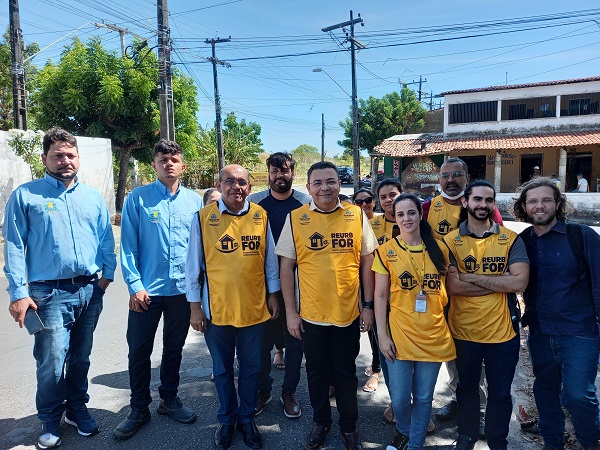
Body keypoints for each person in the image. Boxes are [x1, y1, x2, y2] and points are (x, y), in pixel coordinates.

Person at [3, 127, 116, 449]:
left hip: (89, 290)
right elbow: (13, 246)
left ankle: (76, 409)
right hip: (47, 294)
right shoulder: (26, 196)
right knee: (52, 359)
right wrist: (18, 293)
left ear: (78, 157)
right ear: (44, 158)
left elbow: (106, 240)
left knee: (80, 357)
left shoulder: (92, 197)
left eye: (70, 155)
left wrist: (106, 277)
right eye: (58, 155)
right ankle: (50, 418)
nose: (65, 160)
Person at [277, 161, 377, 450]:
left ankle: (349, 427)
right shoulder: (297, 218)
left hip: (348, 314)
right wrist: (292, 313)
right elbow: (287, 267)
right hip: (311, 316)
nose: (325, 187)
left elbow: (367, 260)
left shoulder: (356, 215)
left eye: (330, 181)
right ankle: (321, 421)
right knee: (317, 373)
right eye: (318, 182)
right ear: (308, 188)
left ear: (339, 184)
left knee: (346, 374)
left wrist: (367, 306)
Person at [113, 139, 203, 440]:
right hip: (146, 292)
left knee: (174, 348)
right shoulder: (138, 199)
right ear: (154, 165)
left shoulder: (195, 202)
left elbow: (200, 251)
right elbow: (128, 247)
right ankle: (139, 407)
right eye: (163, 159)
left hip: (181, 291)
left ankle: (169, 398)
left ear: (182, 165)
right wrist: (134, 286)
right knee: (139, 350)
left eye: (174, 159)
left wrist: (199, 293)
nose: (168, 163)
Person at [186, 164, 280, 450]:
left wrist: (273, 295)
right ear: (220, 184)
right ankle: (227, 421)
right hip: (217, 311)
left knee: (252, 369)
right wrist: (194, 307)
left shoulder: (260, 215)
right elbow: (193, 266)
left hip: (254, 310)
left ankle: (247, 418)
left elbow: (270, 261)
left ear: (249, 187)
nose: (236, 187)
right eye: (230, 181)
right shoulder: (203, 218)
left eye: (242, 182)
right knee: (223, 370)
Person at [512, 177, 600, 450]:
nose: (540, 206)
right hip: (540, 332)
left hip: (579, 332)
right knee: (546, 391)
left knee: (578, 395)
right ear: (524, 207)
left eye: (546, 200)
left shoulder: (581, 236)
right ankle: (553, 443)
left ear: (558, 203)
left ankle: (590, 441)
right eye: (533, 201)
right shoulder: (521, 241)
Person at [443, 180, 530, 450]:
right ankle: (466, 437)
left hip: (503, 334)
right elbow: (453, 287)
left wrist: (471, 276)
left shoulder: (510, 238)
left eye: (488, 200)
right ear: (465, 202)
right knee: (467, 390)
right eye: (477, 199)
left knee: (500, 394)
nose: (483, 205)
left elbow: (518, 284)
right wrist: (496, 281)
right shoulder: (449, 242)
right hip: (463, 332)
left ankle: (497, 441)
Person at [424, 158, 502, 431]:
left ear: (467, 178)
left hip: (478, 296)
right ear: (439, 180)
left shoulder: (485, 208)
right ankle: (460, 399)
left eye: (457, 174)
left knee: (477, 355)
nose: (451, 180)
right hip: (441, 295)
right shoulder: (428, 208)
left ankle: (479, 408)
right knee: (453, 354)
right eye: (445, 175)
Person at [374, 194, 456, 450]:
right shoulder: (386, 250)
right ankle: (406, 431)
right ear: (395, 218)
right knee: (399, 399)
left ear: (420, 215)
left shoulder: (440, 248)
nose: (406, 218)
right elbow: (379, 295)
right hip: (399, 336)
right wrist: (382, 335)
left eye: (411, 213)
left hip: (433, 334)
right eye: (400, 214)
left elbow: (450, 289)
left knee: (423, 398)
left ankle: (415, 444)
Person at [247, 152, 311, 419]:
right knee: (260, 342)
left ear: (293, 173)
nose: (279, 175)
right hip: (259, 284)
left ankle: (289, 391)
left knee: (295, 339)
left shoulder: (305, 203)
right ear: (268, 174)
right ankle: (264, 390)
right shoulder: (255, 202)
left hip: (297, 284)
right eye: (274, 171)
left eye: (284, 170)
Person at [353, 189, 381, 394]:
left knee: (378, 332)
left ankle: (377, 371)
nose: (364, 204)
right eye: (359, 201)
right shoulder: (353, 223)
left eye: (368, 200)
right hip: (357, 285)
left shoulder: (383, 223)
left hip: (381, 286)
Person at [371, 178, 403, 244]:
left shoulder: (415, 223)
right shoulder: (370, 225)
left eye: (392, 195)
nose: (388, 200)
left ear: (402, 195)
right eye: (383, 197)